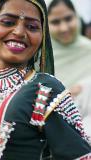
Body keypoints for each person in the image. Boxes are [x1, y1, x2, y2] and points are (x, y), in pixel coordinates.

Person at [0, 0, 91, 160]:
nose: (19, 32)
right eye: (8, 22)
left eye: (32, 27)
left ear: (42, 37)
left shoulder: (45, 89)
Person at [48, 0, 91, 138]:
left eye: (68, 19)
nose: (64, 28)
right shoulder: (39, 57)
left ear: (77, 17)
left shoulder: (88, 50)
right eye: (55, 22)